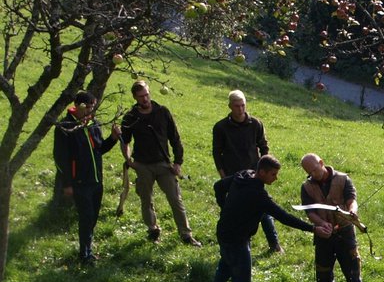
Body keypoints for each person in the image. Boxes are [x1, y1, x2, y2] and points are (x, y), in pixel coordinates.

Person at [207, 156, 332, 282]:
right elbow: (283, 217)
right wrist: (313, 229)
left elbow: (218, 186)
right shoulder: (259, 195)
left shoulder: (242, 175)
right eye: (273, 174)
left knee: (224, 267)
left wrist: (225, 207)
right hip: (238, 239)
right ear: (262, 172)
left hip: (223, 232)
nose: (276, 178)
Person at [119, 79, 201, 246]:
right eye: (141, 96)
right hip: (142, 165)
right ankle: (153, 230)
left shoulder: (162, 112)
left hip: (163, 164)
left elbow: (175, 138)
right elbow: (124, 141)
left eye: (146, 95)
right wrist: (129, 160)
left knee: (175, 199)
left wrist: (178, 162)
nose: (145, 99)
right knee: (146, 200)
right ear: (135, 97)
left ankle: (186, 234)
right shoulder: (130, 117)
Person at [300, 153, 366, 282]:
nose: (313, 174)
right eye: (309, 172)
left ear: (321, 163)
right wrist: (322, 224)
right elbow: (310, 212)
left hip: (345, 235)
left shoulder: (343, 179)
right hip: (323, 237)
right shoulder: (307, 187)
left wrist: (352, 212)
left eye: (315, 170)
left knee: (353, 276)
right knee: (323, 277)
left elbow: (352, 200)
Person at [53, 91, 121, 263]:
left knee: (93, 216)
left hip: (96, 180)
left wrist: (113, 139)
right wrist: (67, 184)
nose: (90, 111)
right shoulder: (65, 127)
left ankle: (87, 247)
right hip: (79, 182)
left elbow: (99, 149)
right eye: (88, 107)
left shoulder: (93, 124)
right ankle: (84, 254)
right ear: (77, 106)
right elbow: (60, 158)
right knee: (87, 216)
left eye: (93, 107)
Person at [212, 89, 282, 253]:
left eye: (243, 105)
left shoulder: (255, 124)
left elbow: (264, 146)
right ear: (230, 106)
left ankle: (274, 244)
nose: (240, 109)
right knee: (236, 212)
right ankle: (240, 244)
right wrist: (223, 175)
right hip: (234, 176)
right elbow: (217, 152)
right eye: (237, 106)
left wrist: (265, 169)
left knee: (263, 209)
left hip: (254, 175)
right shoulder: (221, 127)